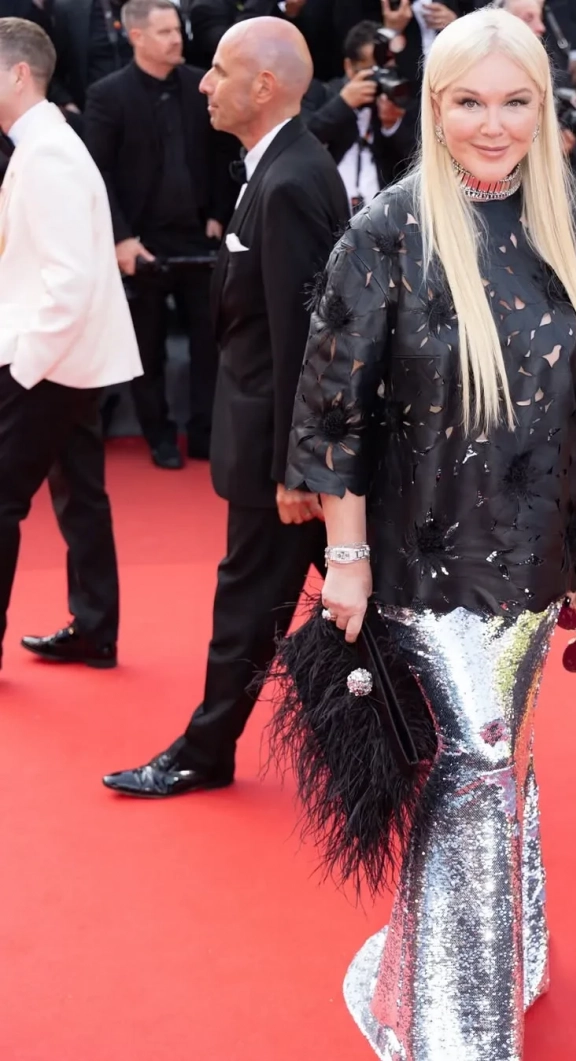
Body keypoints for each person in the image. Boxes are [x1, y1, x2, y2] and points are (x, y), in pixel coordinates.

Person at [280, 8, 576, 1057]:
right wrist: (345, 558)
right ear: (433, 106)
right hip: (422, 562)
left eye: (515, 101)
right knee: (474, 758)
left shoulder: (561, 228)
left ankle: (497, 956)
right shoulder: (385, 231)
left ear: (543, 108)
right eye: (469, 101)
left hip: (533, 556)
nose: (493, 124)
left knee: (502, 752)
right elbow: (333, 411)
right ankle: (451, 1028)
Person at [101, 17, 349, 796]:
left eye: (219, 71)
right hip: (276, 437)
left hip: (279, 450)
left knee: (251, 600)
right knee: (361, 599)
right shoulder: (278, 166)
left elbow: (305, 339)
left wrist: (296, 467)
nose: (203, 84)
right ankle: (431, 738)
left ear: (263, 86)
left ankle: (204, 750)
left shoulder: (291, 180)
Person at [0, 17, 141, 671]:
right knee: (81, 494)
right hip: (72, 358)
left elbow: (70, 281)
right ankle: (95, 628)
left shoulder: (48, 153)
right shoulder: (46, 143)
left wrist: (23, 367)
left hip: (50, 360)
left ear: (18, 74)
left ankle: (92, 626)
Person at [84, 0, 237, 469]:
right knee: (146, 346)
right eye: (165, 31)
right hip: (141, 241)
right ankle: (159, 435)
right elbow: (97, 174)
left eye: (178, 29)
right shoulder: (108, 95)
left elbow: (222, 152)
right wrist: (120, 239)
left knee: (210, 341)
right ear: (136, 37)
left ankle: (205, 432)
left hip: (198, 236)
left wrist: (218, 212)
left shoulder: (199, 84)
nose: (177, 39)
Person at [302, 20, 415, 212]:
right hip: (327, 210)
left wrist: (393, 125)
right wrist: (343, 104)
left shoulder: (398, 100)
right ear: (349, 66)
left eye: (387, 69)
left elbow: (416, 162)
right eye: (373, 70)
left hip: (382, 215)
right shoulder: (321, 94)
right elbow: (302, 141)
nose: (380, 77)